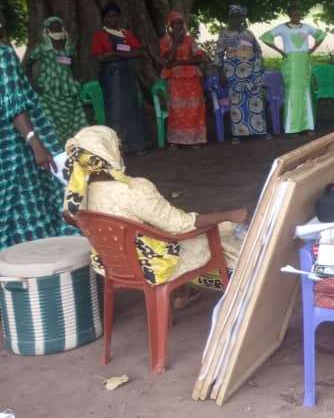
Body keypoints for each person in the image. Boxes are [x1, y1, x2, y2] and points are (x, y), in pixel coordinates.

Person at [65, 126, 246, 302]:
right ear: (109, 152)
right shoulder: (134, 189)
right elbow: (179, 224)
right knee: (218, 233)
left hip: (110, 264)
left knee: (158, 230)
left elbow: (71, 217)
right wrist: (229, 216)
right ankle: (240, 290)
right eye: (118, 147)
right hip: (153, 266)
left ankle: (182, 293)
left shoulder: (78, 195)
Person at [0, 16, 69, 251]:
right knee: (27, 202)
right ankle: (34, 257)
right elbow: (14, 105)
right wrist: (35, 144)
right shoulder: (3, 55)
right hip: (14, 146)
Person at [91, 3, 149, 154]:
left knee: (132, 107)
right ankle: (118, 147)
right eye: (109, 16)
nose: (112, 19)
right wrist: (125, 54)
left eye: (115, 16)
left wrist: (115, 54)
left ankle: (138, 145)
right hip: (111, 77)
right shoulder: (99, 35)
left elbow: (139, 51)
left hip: (127, 75)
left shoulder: (126, 33)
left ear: (120, 17)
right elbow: (101, 57)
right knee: (115, 109)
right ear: (104, 18)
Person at [261, 6, 325, 134]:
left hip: (303, 63)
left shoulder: (306, 27)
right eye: (294, 14)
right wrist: (280, 51)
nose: (297, 16)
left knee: (305, 92)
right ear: (289, 15)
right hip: (291, 64)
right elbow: (266, 37)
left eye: (299, 14)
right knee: (292, 93)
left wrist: (313, 49)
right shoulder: (282, 28)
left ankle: (308, 126)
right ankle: (292, 128)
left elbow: (320, 35)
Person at [24, 16, 88, 144]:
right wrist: (32, 83)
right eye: (53, 28)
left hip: (68, 86)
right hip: (48, 88)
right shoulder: (42, 46)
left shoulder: (68, 44)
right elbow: (28, 64)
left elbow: (72, 62)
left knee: (74, 117)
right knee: (51, 120)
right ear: (48, 30)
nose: (57, 30)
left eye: (59, 27)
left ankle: (75, 142)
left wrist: (77, 79)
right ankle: (57, 145)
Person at [214, 5, 268, 142]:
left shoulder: (248, 33)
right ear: (229, 18)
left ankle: (259, 131)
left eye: (239, 17)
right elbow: (219, 54)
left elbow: (258, 50)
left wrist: (259, 66)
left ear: (242, 19)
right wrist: (221, 74)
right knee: (237, 102)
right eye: (233, 17)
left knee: (255, 100)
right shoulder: (224, 34)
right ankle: (238, 134)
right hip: (233, 74)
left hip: (252, 73)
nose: (236, 20)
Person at [159, 11, 208, 149]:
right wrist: (175, 43)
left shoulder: (190, 40)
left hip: (192, 78)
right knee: (177, 109)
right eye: (175, 23)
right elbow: (168, 62)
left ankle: (195, 139)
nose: (178, 26)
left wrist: (181, 62)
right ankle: (176, 140)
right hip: (176, 79)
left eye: (180, 23)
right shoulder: (165, 41)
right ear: (170, 25)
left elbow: (199, 59)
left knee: (194, 107)